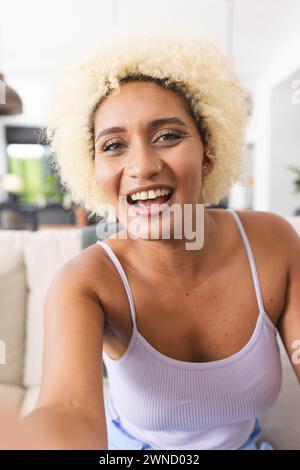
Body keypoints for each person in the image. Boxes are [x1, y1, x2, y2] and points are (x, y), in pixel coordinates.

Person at [5, 27, 300, 450]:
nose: (141, 166)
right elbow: (67, 410)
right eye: (113, 145)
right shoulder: (84, 281)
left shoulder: (274, 243)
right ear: (93, 171)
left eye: (168, 135)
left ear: (209, 149)